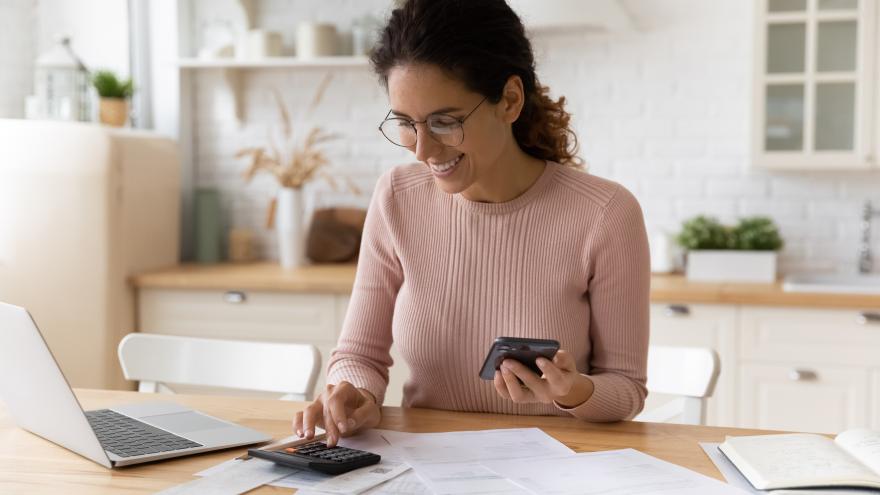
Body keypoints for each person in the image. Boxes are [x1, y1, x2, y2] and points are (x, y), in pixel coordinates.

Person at [294, 0, 650, 446]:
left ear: (510, 100)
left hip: (558, 466)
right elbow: (359, 354)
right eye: (406, 123)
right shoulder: (397, 198)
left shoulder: (605, 213)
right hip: (424, 466)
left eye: (445, 121)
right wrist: (352, 392)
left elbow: (626, 388)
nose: (422, 150)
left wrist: (574, 391)